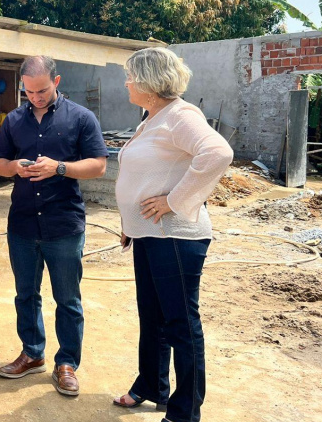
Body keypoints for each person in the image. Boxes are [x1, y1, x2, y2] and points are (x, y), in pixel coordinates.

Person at [112, 47, 232, 422]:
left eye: (131, 76)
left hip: (176, 237)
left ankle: (185, 411)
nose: (127, 82)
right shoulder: (152, 117)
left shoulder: (180, 115)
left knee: (180, 323)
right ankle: (152, 385)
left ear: (148, 83)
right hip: (149, 235)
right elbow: (147, 174)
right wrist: (131, 223)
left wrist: (174, 201)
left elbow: (218, 153)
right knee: (153, 316)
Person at [0, 55, 108, 396]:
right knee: (26, 294)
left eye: (42, 90)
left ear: (56, 82)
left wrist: (60, 168)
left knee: (67, 298)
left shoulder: (82, 118)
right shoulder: (14, 120)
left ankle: (67, 363)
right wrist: (14, 166)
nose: (36, 97)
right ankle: (32, 353)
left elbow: (98, 165)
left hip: (63, 223)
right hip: (23, 224)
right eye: (29, 92)